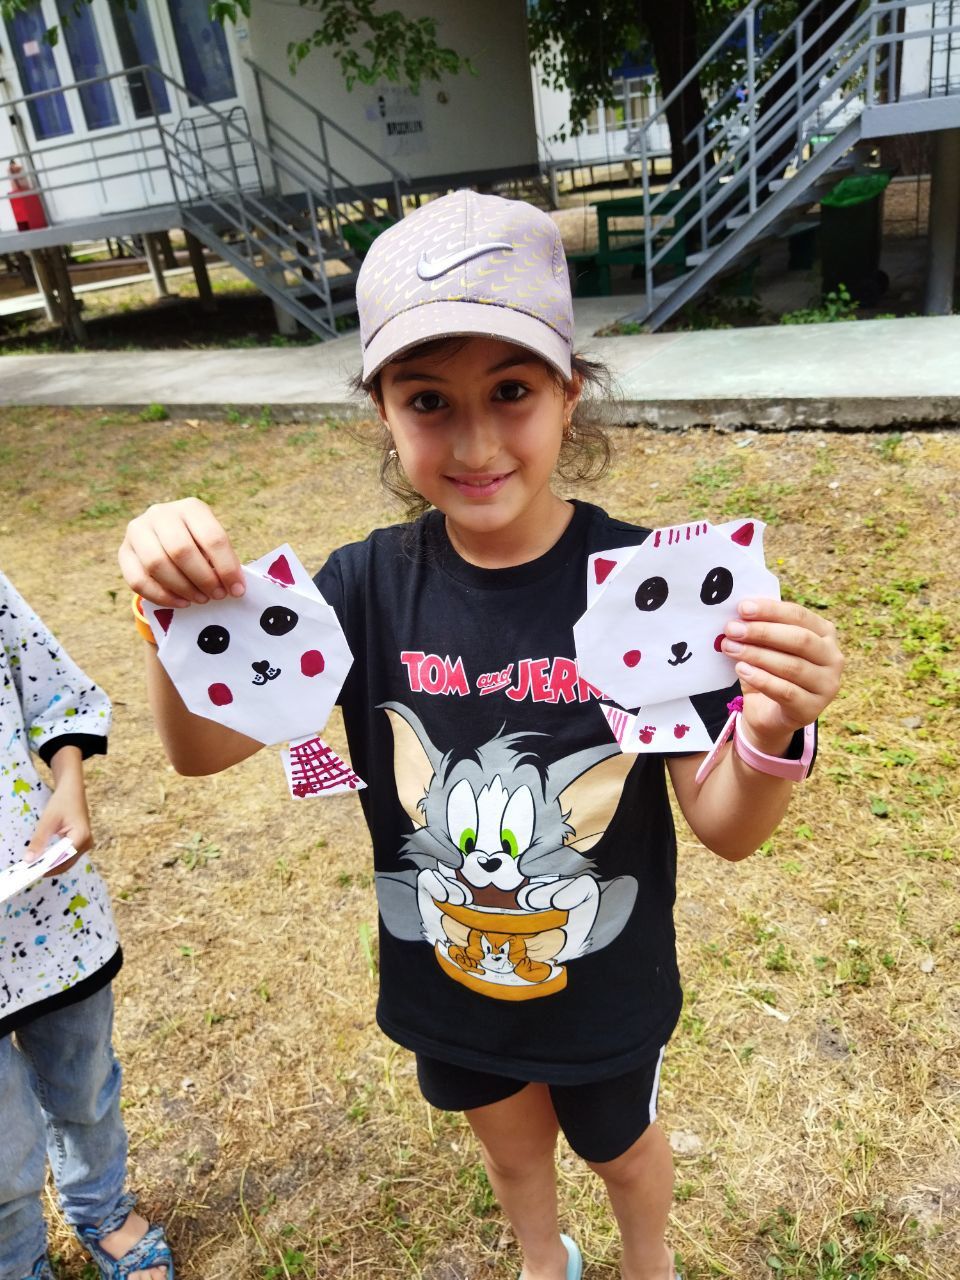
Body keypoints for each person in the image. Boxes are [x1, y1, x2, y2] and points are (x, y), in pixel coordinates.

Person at [118, 190, 844, 1280]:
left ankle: (648, 1262)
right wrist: (171, 622)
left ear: (569, 392)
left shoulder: (648, 589)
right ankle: (544, 1261)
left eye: (512, 390)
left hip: (601, 978)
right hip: (448, 972)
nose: (474, 440)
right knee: (510, 1152)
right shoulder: (362, 587)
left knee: (622, 1150)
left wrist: (774, 726)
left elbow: (727, 828)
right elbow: (200, 749)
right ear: (382, 410)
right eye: (427, 399)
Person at [0, 572, 173, 1280]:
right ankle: (15, 1260)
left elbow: (55, 692)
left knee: (85, 1080)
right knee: (1, 1140)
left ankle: (100, 1207)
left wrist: (68, 781)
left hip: (48, 908)